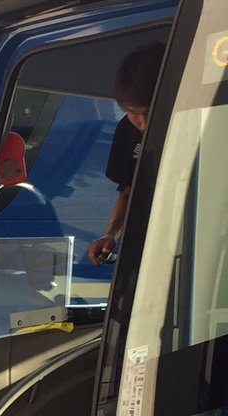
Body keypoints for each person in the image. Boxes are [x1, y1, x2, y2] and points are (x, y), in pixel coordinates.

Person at [87, 41, 166, 265]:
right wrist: (110, 234)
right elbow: (127, 192)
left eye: (150, 112)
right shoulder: (126, 130)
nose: (143, 123)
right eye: (133, 113)